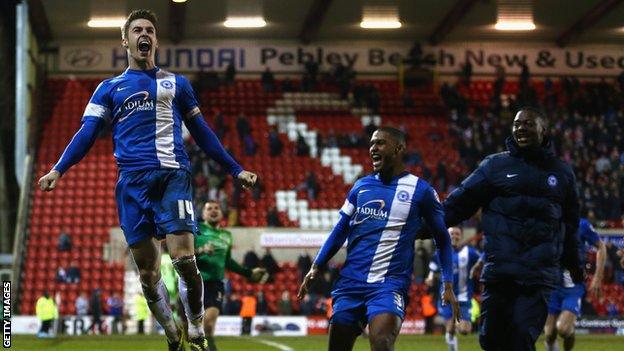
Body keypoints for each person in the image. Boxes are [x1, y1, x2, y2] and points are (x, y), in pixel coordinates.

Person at [37, 9, 257, 351]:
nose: (145, 34)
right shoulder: (108, 88)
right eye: (137, 29)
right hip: (132, 185)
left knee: (184, 259)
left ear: (154, 40)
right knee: (149, 274)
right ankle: (172, 333)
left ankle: (196, 328)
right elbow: (87, 133)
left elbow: (202, 132)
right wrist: (58, 168)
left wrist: (235, 168)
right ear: (125, 40)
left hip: (173, 176)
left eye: (150, 30)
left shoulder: (177, 84)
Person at [298, 127, 458, 351]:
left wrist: (448, 282)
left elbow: (442, 238)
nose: (373, 148)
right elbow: (340, 229)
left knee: (381, 344)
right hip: (351, 283)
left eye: (381, 143)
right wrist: (316, 265)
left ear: (399, 148)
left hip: (388, 285)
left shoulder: (421, 191)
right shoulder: (361, 186)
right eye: (372, 144)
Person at [442, 107, 583, 351]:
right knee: (490, 340)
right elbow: (459, 203)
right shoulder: (494, 166)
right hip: (500, 274)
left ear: (543, 130)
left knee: (521, 339)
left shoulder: (562, 173)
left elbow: (570, 225)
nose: (521, 128)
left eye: (528, 124)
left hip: (537, 276)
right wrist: (424, 226)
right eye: (517, 124)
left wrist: (575, 262)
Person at [189, 201, 267, 351]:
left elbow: (228, 262)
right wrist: (200, 251)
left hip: (215, 284)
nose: (213, 211)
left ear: (221, 213)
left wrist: (249, 273)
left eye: (216, 208)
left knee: (209, 324)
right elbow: (183, 254)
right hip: (194, 283)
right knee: (193, 329)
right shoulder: (195, 230)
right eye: (209, 208)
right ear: (203, 214)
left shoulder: (227, 235)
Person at [544, 218, 606, 351]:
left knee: (563, 329)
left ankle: (570, 333)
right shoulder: (548, 222)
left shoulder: (582, 225)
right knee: (549, 335)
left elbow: (601, 246)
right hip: (551, 285)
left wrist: (597, 277)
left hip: (573, 286)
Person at [426, 227, 481, 351]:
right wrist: (430, 278)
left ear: (460, 236)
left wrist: (480, 269)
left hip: (464, 297)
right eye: (452, 233)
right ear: (447, 235)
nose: (454, 236)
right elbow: (433, 269)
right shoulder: (440, 252)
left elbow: (483, 258)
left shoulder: (470, 252)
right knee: (449, 329)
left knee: (465, 330)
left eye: (457, 234)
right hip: (446, 297)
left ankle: (458, 323)